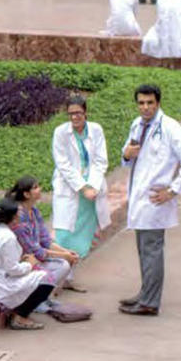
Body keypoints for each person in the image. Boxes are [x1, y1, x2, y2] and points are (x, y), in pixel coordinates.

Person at [119, 83, 181, 316]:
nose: (145, 107)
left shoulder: (170, 128)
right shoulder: (137, 124)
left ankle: (149, 302)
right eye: (141, 103)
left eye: (150, 103)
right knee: (144, 250)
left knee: (152, 250)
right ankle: (145, 293)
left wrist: (173, 191)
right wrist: (126, 154)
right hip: (139, 198)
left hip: (155, 200)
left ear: (158, 103)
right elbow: (129, 156)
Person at [0, 196, 53, 330]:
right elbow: (13, 270)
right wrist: (30, 264)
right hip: (0, 284)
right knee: (47, 278)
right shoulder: (8, 237)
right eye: (18, 213)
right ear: (13, 217)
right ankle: (20, 315)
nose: (21, 215)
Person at [52, 94, 110, 264]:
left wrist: (92, 186)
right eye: (71, 114)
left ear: (86, 113)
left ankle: (70, 274)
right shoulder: (61, 133)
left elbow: (101, 160)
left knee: (84, 233)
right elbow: (63, 164)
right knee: (65, 234)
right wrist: (83, 188)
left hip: (92, 187)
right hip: (70, 187)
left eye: (78, 113)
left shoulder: (96, 130)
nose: (75, 117)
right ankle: (61, 275)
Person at [7, 175, 80, 305]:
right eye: (35, 187)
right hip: (23, 261)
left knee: (64, 262)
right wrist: (64, 255)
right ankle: (34, 301)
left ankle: (42, 297)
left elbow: (45, 240)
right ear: (26, 194)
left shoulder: (34, 211)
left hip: (35, 257)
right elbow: (35, 251)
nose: (40, 189)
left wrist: (67, 252)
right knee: (62, 265)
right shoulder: (19, 219)